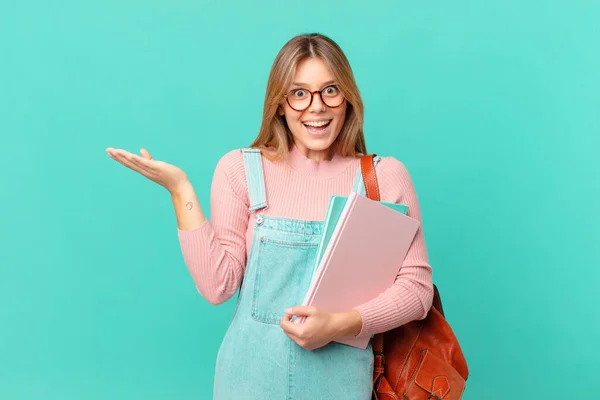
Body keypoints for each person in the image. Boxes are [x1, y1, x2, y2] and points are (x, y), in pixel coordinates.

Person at [106, 33, 433, 400]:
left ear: (347, 98)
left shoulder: (383, 178)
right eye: (299, 93)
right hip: (247, 383)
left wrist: (340, 324)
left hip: (340, 386)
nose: (316, 107)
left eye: (330, 90)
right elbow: (218, 287)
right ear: (280, 104)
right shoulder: (241, 171)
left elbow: (417, 291)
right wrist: (180, 190)